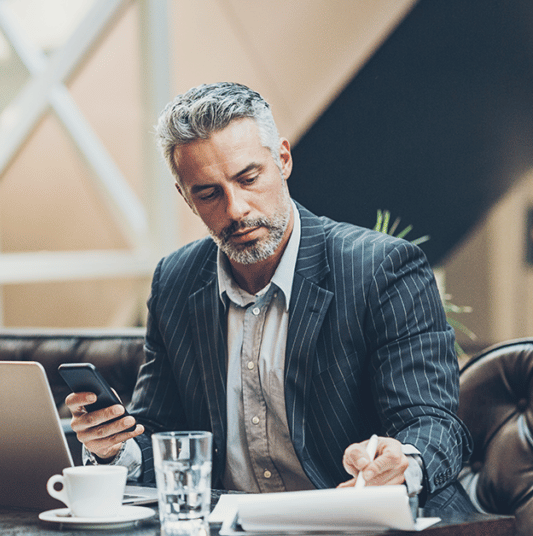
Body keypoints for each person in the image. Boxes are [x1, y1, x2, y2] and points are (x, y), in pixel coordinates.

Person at [65, 82, 474, 511]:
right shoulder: (175, 282)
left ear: (283, 159)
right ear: (185, 196)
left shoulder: (382, 269)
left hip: (355, 517)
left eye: (248, 178)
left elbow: (433, 423)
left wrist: (402, 462)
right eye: (208, 193)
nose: (236, 209)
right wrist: (115, 447)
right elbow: (161, 435)